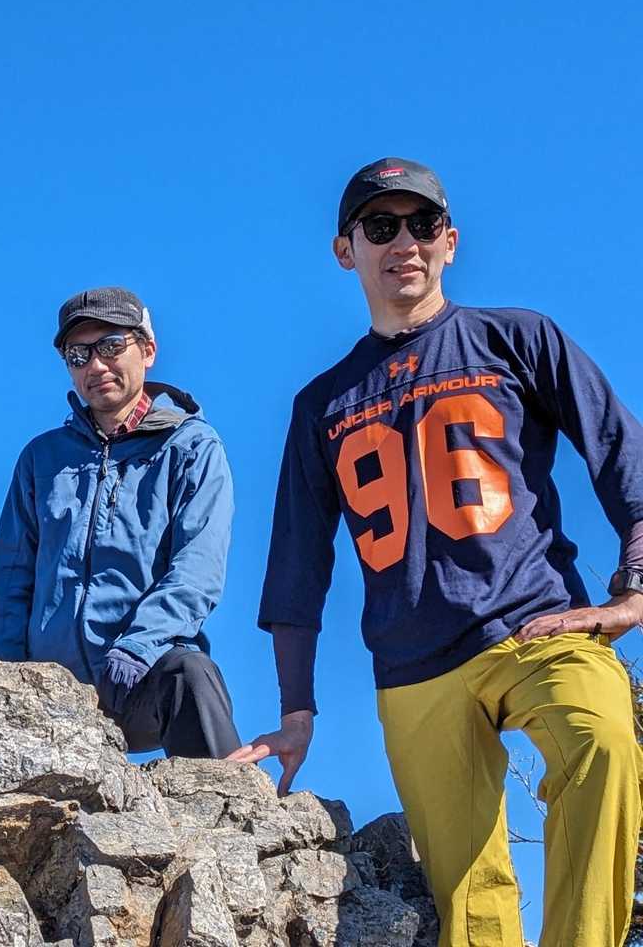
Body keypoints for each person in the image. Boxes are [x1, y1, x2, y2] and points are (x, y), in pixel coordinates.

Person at [230, 158, 643, 947]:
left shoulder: (517, 338)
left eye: (422, 225)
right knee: (469, 899)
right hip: (413, 668)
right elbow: (296, 565)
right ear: (346, 250)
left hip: (538, 626)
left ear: (450, 242)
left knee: (602, 743)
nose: (404, 243)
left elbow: (625, 455)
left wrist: (635, 587)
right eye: (380, 227)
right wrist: (295, 710)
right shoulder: (321, 404)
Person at [0, 286, 241, 757]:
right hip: (52, 694)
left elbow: (197, 572)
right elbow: (10, 585)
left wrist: (138, 648)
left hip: (142, 675)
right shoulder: (41, 459)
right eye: (78, 354)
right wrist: (4, 684)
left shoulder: (192, 448)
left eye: (111, 346)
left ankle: (231, 799)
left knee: (192, 675)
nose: (96, 366)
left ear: (148, 350)